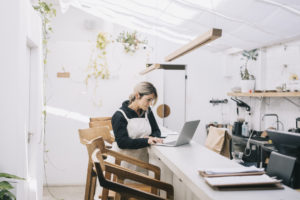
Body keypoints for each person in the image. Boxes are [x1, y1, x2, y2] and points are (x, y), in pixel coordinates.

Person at [112, 81, 163, 173]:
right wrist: (146, 141)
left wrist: (153, 137)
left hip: (142, 163)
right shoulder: (119, 115)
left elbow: (156, 130)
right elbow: (122, 142)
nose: (150, 104)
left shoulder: (147, 111)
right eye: (148, 100)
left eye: (152, 100)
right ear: (137, 96)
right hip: (124, 164)